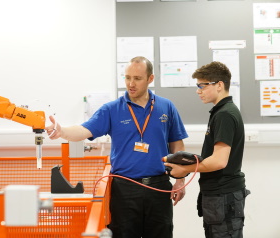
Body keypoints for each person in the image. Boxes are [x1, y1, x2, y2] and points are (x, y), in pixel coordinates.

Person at [46, 56, 188, 238]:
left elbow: (177, 144)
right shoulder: (112, 109)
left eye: (137, 78)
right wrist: (62, 131)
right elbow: (84, 130)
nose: (131, 84)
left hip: (159, 187)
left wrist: (180, 179)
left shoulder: (166, 107)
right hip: (124, 189)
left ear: (150, 79)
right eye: (127, 78)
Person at [164, 61, 250, 238]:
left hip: (224, 196)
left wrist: (185, 169)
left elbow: (219, 160)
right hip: (220, 196)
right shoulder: (221, 112)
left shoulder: (225, 114)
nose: (198, 90)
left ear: (219, 85)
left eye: (202, 85)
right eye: (198, 86)